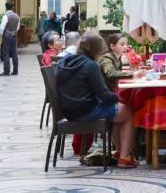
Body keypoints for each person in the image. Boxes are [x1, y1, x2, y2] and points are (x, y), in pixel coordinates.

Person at [54, 32, 138, 167]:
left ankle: (119, 152)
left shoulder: (63, 62)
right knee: (127, 112)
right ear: (95, 49)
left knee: (118, 111)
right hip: (86, 111)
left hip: (68, 111)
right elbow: (104, 95)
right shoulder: (90, 65)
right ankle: (125, 157)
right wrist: (118, 97)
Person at [0, 1, 20, 76]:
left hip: (6, 36)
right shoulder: (17, 16)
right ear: (13, 7)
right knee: (14, 53)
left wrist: (1, 34)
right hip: (14, 36)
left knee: (5, 53)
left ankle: (7, 71)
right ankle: (15, 71)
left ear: (6, 7)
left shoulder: (6, 16)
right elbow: (18, 27)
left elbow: (2, 27)